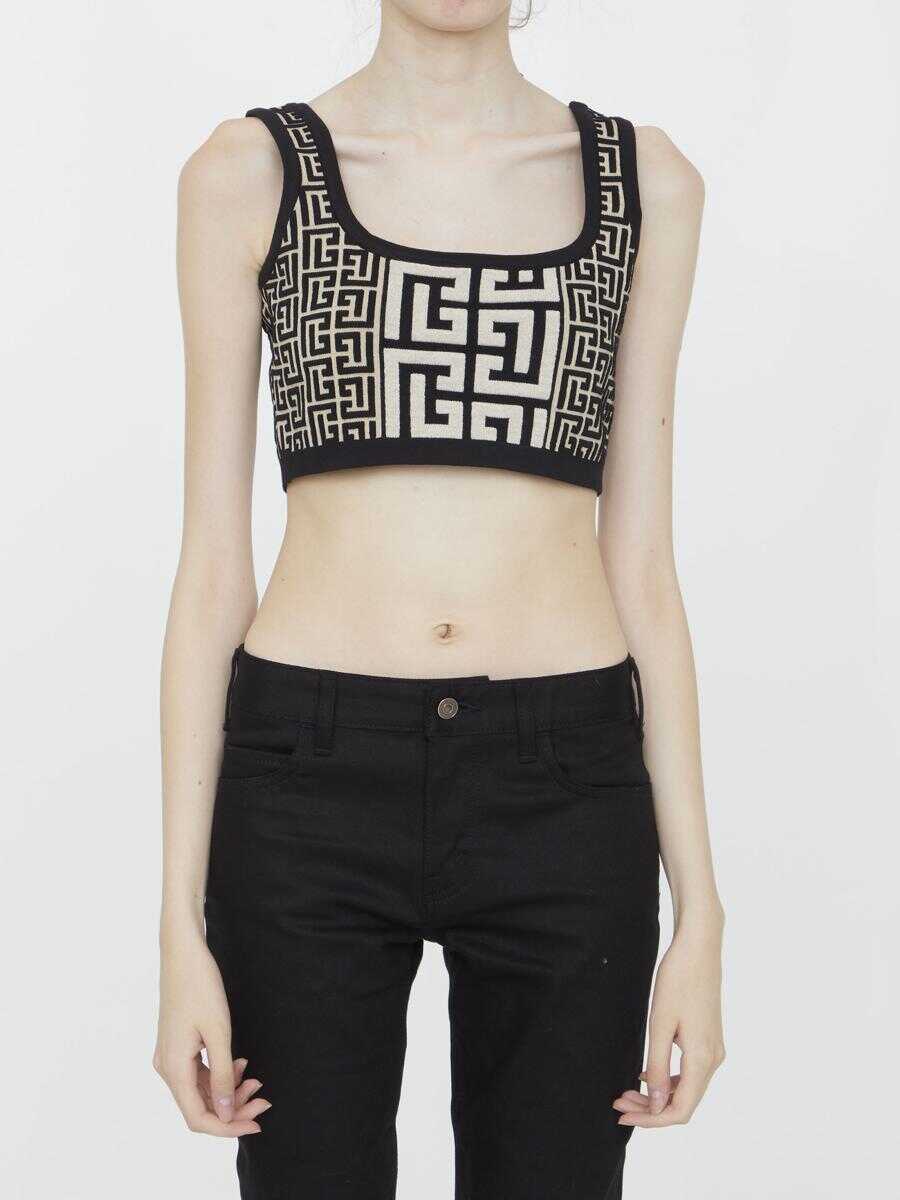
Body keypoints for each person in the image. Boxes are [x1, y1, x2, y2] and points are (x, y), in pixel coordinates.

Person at [153, 2, 725, 1196]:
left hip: (564, 785)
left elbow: (644, 567)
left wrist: (701, 918)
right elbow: (211, 567)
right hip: (306, 782)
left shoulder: (645, 183)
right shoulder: (249, 174)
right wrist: (178, 927)